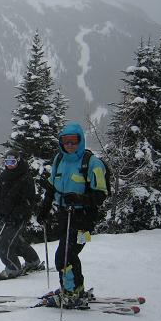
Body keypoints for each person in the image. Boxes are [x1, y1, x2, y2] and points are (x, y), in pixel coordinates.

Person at [37, 122, 107, 308]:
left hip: (83, 218)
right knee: (68, 255)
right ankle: (73, 288)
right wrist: (44, 210)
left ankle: (71, 293)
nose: (69, 145)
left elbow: (101, 194)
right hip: (64, 216)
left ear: (80, 140)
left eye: (73, 141)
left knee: (65, 256)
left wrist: (79, 198)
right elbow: (52, 188)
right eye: (65, 141)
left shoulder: (92, 163)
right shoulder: (59, 160)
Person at [0, 150, 42, 279]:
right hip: (6, 217)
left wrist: (15, 216)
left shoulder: (25, 177)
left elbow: (27, 202)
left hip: (18, 218)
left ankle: (13, 269)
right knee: (15, 242)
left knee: (5, 245)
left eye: (12, 162)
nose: (10, 165)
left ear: (18, 161)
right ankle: (33, 261)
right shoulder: (5, 175)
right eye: (7, 162)